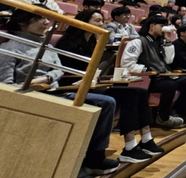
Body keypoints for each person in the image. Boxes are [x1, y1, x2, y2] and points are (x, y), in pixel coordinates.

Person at [0, 7, 119, 178]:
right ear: (22, 22)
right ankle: (66, 169)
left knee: (106, 102)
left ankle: (94, 158)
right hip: (28, 97)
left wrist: (46, 78)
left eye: (47, 19)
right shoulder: (9, 48)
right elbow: (5, 87)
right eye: (39, 19)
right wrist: (30, 84)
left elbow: (59, 69)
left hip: (52, 91)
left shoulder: (47, 45)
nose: (46, 23)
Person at [56, 10, 164, 163]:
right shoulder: (67, 43)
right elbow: (63, 72)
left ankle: (140, 141)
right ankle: (122, 148)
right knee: (120, 98)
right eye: (97, 21)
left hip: (91, 85)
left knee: (137, 92)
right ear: (84, 22)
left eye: (102, 21)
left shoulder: (94, 43)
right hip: (72, 87)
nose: (102, 24)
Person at [121, 16, 186, 128]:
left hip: (164, 76)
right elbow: (127, 64)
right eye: (162, 26)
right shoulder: (138, 42)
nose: (164, 28)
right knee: (170, 85)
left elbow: (168, 61)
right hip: (148, 79)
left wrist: (168, 42)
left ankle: (178, 112)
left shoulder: (160, 42)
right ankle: (163, 118)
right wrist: (147, 70)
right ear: (152, 26)